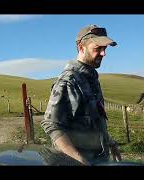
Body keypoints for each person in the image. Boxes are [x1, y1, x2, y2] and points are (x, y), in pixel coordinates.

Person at [41, 24, 121, 165]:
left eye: (105, 48)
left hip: (98, 159)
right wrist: (81, 161)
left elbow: (94, 120)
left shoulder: (91, 79)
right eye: (97, 48)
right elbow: (51, 125)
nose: (103, 53)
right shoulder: (68, 81)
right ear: (81, 47)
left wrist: (111, 142)